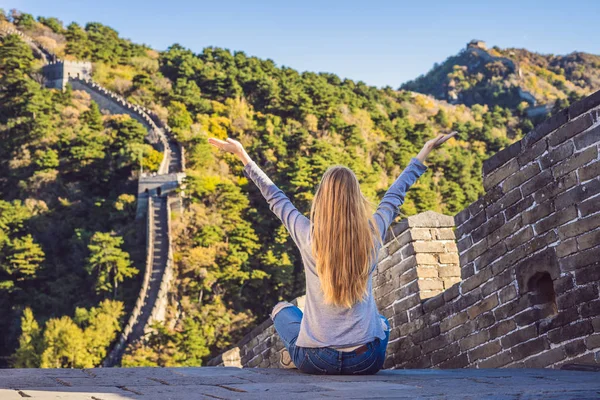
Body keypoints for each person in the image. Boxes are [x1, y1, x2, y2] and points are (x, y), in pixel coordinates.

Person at [208, 132, 455, 375]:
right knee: (382, 323)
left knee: (281, 310)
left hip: (315, 360)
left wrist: (243, 155)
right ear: (356, 198)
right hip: (367, 361)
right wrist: (424, 151)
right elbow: (395, 195)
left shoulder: (307, 234)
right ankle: (308, 348)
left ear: (322, 199)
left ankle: (296, 353)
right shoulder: (372, 232)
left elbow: (275, 197)